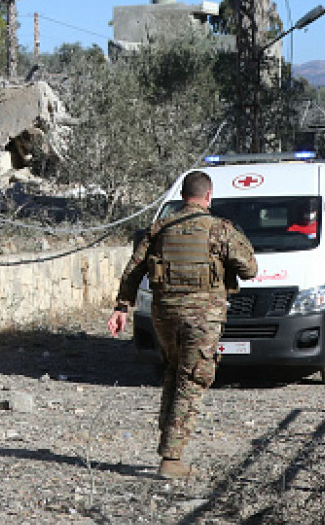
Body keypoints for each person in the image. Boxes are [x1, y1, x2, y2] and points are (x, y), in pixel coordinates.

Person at [108, 170, 258, 479]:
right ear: (208, 197)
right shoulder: (219, 229)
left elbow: (132, 271)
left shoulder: (160, 228)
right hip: (202, 318)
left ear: (182, 197)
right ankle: (171, 458)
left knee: (175, 373)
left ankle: (168, 439)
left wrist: (122, 307)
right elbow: (250, 269)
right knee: (193, 379)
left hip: (165, 317)